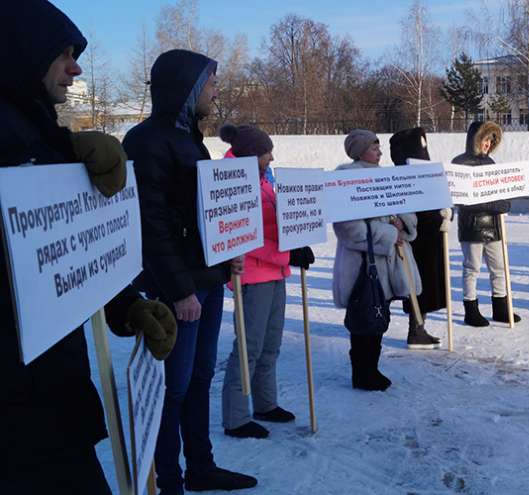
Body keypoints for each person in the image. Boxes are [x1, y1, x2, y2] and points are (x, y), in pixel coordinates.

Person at [1, 2, 177, 492]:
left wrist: (125, 306)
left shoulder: (36, 130)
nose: (75, 67)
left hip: (53, 400)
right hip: (19, 420)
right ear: (18, 52)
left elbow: (60, 255)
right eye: (61, 53)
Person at [123, 49, 257, 494]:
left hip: (208, 281)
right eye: (211, 82)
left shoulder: (190, 139)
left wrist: (227, 254)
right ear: (186, 86)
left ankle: (201, 466)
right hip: (177, 291)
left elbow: (204, 214)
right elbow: (151, 223)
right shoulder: (145, 141)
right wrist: (180, 290)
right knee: (173, 389)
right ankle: (170, 481)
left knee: (200, 379)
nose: (216, 91)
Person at [217, 124, 313, 440]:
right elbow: (245, 238)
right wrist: (288, 255)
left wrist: (299, 238)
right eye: (266, 152)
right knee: (249, 347)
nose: (271, 157)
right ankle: (235, 417)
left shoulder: (261, 180)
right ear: (251, 154)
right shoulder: (232, 183)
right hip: (252, 277)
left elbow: (274, 226)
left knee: (271, 344)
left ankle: (265, 403)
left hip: (274, 275)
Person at [332, 130, 422, 390]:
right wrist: (390, 232)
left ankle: (371, 368)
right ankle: (362, 372)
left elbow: (406, 213)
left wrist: (402, 223)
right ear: (359, 151)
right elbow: (350, 229)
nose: (380, 152)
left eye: (379, 147)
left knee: (380, 319)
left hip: (391, 264)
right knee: (364, 319)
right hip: (363, 266)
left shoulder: (386, 177)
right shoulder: (346, 179)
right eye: (374, 147)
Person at [452, 121, 520, 326]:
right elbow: (462, 198)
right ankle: (470, 310)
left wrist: (503, 201)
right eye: (485, 139)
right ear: (475, 139)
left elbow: (499, 193)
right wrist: (495, 204)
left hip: (494, 224)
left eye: (491, 140)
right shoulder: (460, 163)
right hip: (472, 225)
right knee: (472, 268)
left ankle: (500, 308)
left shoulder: (491, 163)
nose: (487, 144)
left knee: (498, 268)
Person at [390, 127, 445, 348]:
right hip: (415, 240)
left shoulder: (424, 171)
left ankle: (420, 327)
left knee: (426, 285)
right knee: (416, 285)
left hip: (429, 236)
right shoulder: (403, 175)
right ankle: (415, 330)